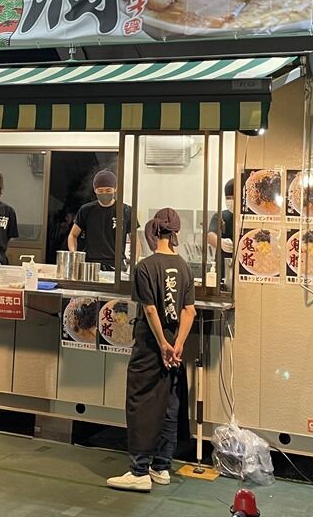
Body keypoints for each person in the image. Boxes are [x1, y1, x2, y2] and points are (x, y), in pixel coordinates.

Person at [108, 207, 196, 492]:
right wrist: (177, 345)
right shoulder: (184, 267)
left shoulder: (145, 267)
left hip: (150, 346)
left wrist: (162, 345)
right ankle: (162, 466)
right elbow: (190, 311)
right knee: (169, 405)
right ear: (175, 232)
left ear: (153, 232)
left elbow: (149, 309)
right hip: (175, 347)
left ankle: (139, 471)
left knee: (142, 404)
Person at [68, 169, 139, 272]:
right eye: (100, 191)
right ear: (94, 189)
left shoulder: (126, 211)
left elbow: (135, 240)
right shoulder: (86, 210)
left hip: (116, 265)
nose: (104, 194)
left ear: (115, 188)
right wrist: (74, 255)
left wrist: (134, 264)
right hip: (91, 265)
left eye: (108, 190)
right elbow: (73, 235)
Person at [206, 179, 236, 267]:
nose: (231, 201)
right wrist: (220, 242)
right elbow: (210, 235)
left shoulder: (249, 219)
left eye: (233, 198)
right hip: (222, 266)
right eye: (228, 198)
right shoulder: (221, 216)